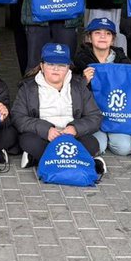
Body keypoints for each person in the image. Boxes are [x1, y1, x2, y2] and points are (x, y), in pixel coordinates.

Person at [10, 43, 106, 173]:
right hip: (43, 137)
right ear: (42, 67)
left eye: (61, 65)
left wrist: (75, 129)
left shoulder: (79, 87)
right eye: (50, 64)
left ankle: (39, 159)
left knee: (92, 143)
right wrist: (46, 130)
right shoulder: (28, 88)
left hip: (71, 136)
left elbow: (95, 116)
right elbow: (18, 117)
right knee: (29, 141)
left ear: (68, 68)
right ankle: (83, 161)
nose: (56, 69)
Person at [72, 18, 131, 156]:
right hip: (92, 117)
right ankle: (103, 139)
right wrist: (83, 81)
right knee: (98, 146)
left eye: (108, 34)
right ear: (89, 38)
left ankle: (111, 137)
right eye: (97, 33)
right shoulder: (79, 61)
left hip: (118, 117)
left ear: (113, 39)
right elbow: (69, 91)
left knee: (124, 148)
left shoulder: (123, 61)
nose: (103, 36)